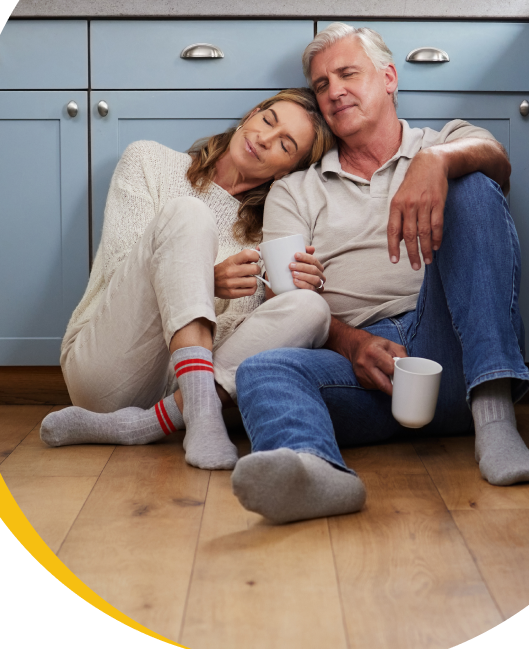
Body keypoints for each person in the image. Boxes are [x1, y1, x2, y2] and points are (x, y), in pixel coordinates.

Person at [230, 24, 529, 523]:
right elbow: (284, 300)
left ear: (389, 77)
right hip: (364, 368)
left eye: (347, 73)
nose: (334, 91)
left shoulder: (441, 141)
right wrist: (351, 344)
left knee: (475, 185)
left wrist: (435, 162)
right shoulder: (295, 190)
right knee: (260, 370)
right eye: (321, 84)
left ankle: (494, 417)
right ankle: (316, 471)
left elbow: (499, 161)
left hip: (454, 351)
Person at [39, 89, 336, 471]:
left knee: (312, 309)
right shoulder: (150, 161)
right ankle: (190, 415)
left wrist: (288, 288)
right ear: (251, 114)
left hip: (190, 391)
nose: (264, 139)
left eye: (285, 144)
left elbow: (245, 338)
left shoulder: (271, 228)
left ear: (286, 171)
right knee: (189, 214)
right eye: (268, 120)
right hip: (107, 369)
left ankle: (151, 423)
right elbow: (118, 270)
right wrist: (207, 281)